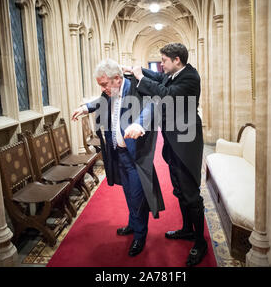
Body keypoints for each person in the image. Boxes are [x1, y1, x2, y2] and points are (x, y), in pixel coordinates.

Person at [123, 43, 206, 266]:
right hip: (174, 143)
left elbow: (167, 94)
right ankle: (187, 229)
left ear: (176, 60)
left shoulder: (190, 77)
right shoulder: (173, 74)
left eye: (164, 61)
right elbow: (159, 79)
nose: (161, 65)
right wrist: (135, 70)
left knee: (191, 194)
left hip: (187, 144)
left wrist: (140, 78)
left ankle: (200, 242)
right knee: (179, 189)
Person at [72, 59, 165, 257]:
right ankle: (133, 224)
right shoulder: (109, 92)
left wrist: (139, 124)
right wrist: (86, 108)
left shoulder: (136, 88)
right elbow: (100, 101)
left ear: (117, 79)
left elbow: (150, 107)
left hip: (136, 155)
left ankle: (140, 236)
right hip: (118, 153)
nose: (103, 89)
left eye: (104, 84)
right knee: (129, 192)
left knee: (138, 196)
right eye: (100, 85)